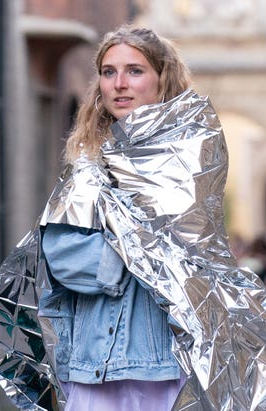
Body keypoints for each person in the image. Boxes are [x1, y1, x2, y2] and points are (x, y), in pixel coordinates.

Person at [38, 25, 191, 411]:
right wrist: (134, 255)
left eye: (135, 71)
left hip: (162, 364)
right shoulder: (87, 163)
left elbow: (191, 256)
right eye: (109, 72)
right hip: (95, 365)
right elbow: (62, 256)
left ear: (162, 80)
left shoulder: (189, 161)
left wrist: (111, 240)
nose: (120, 83)